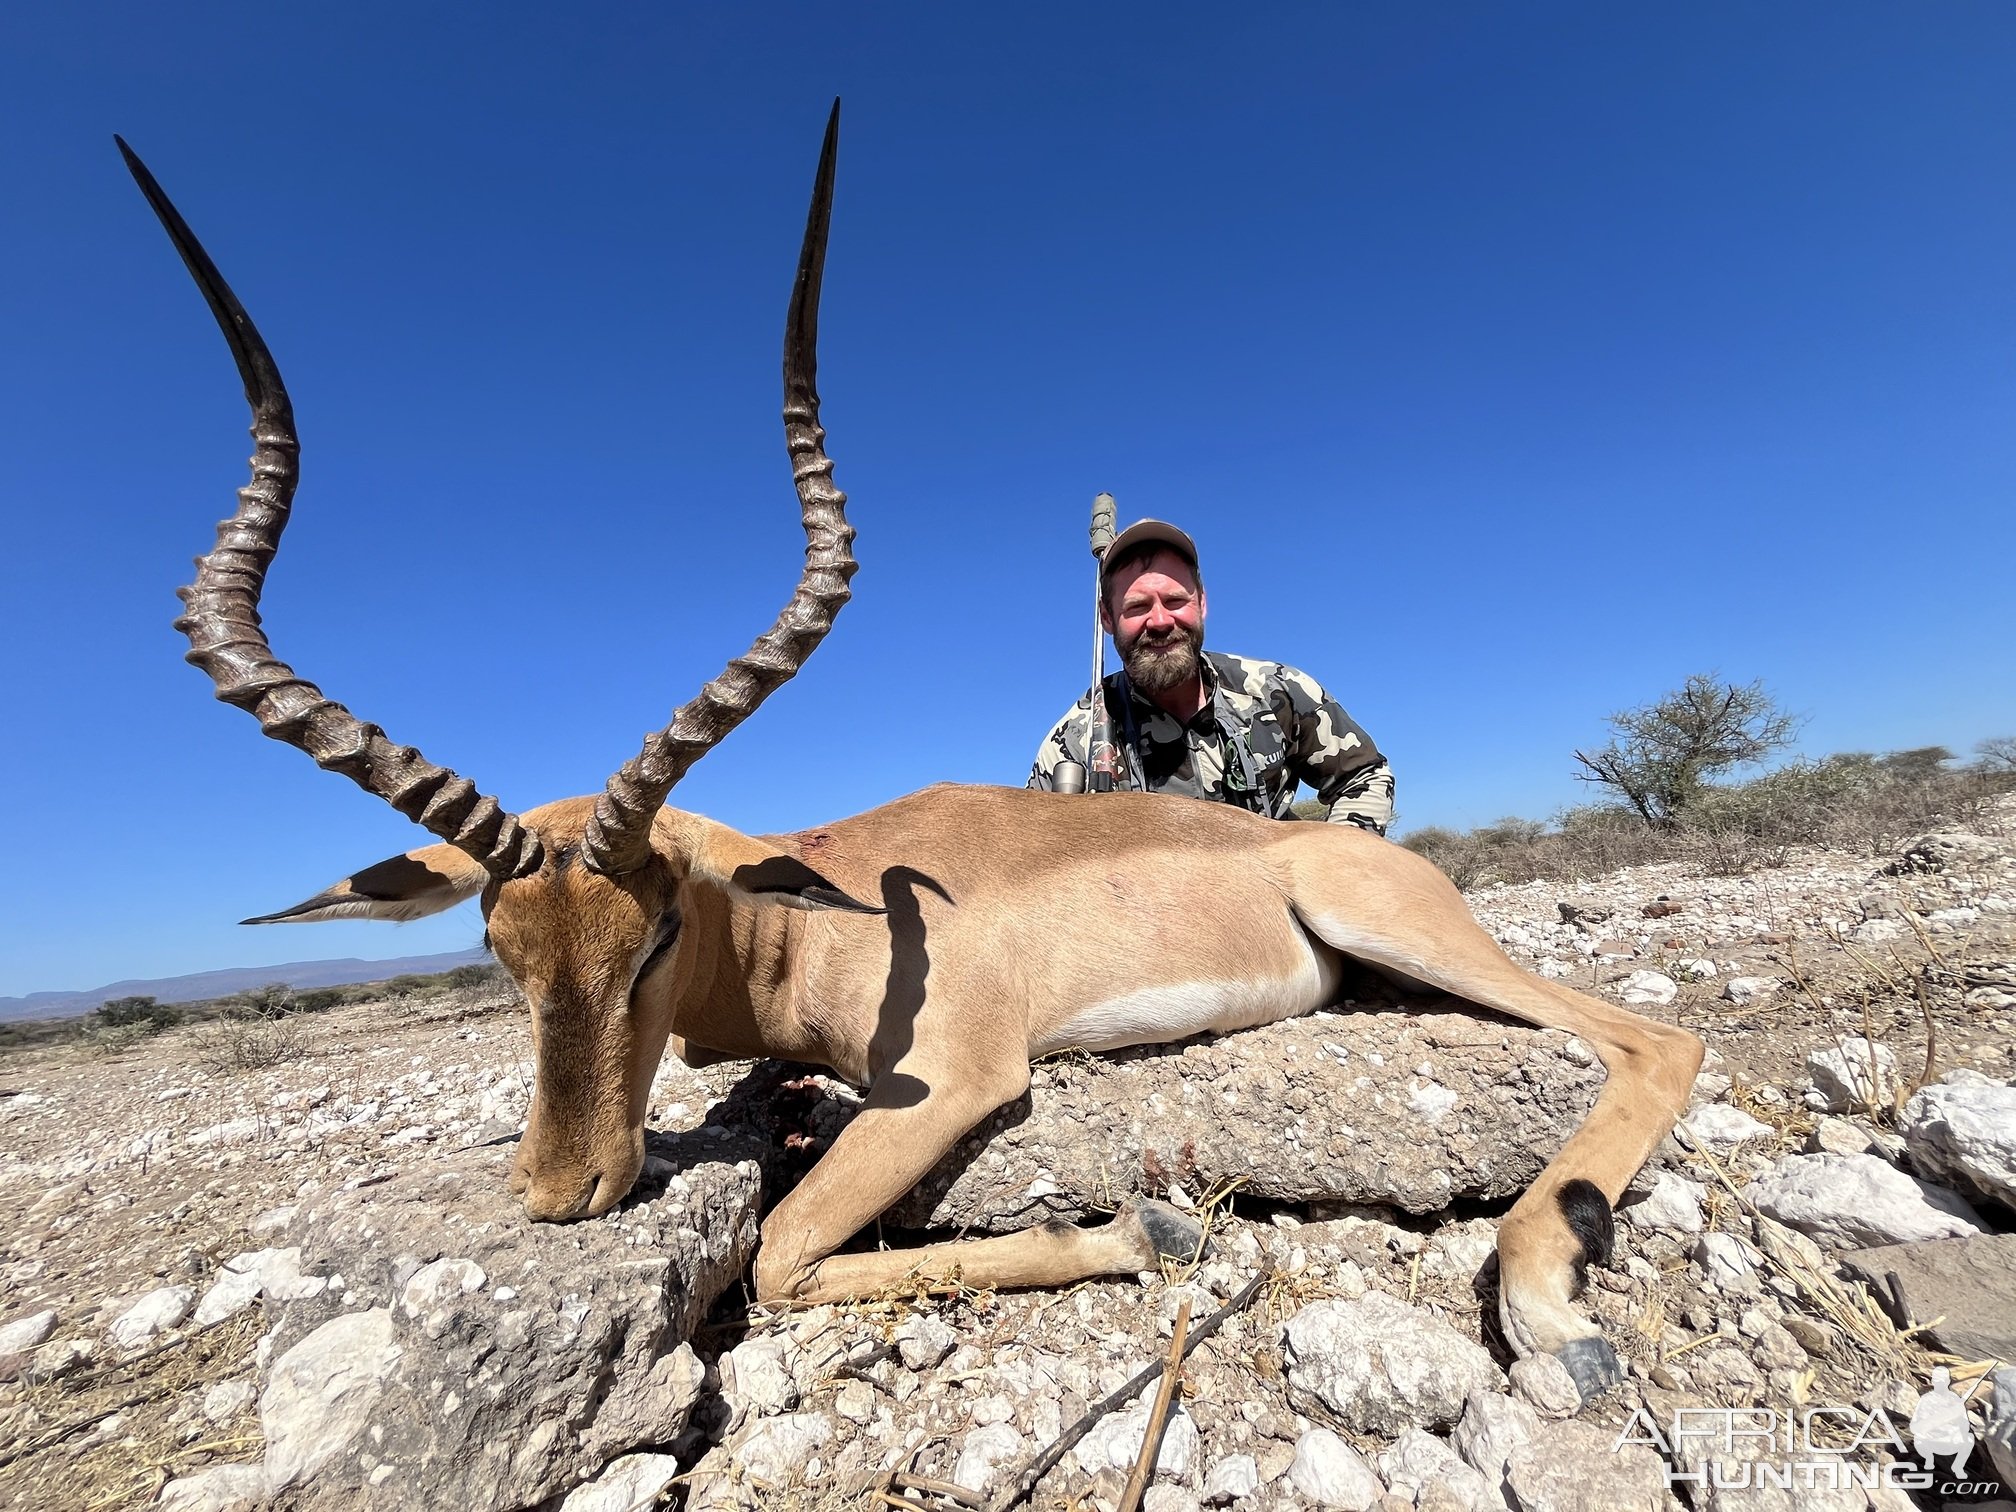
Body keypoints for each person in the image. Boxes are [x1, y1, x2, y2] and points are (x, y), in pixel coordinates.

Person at [1028, 519, 1395, 832]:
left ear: (1201, 602)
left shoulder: (1275, 690)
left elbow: (1365, 775)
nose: (1159, 621)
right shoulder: (1073, 744)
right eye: (1136, 607)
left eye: (1175, 601)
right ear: (1107, 619)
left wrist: (1329, 873)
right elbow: (1035, 863)